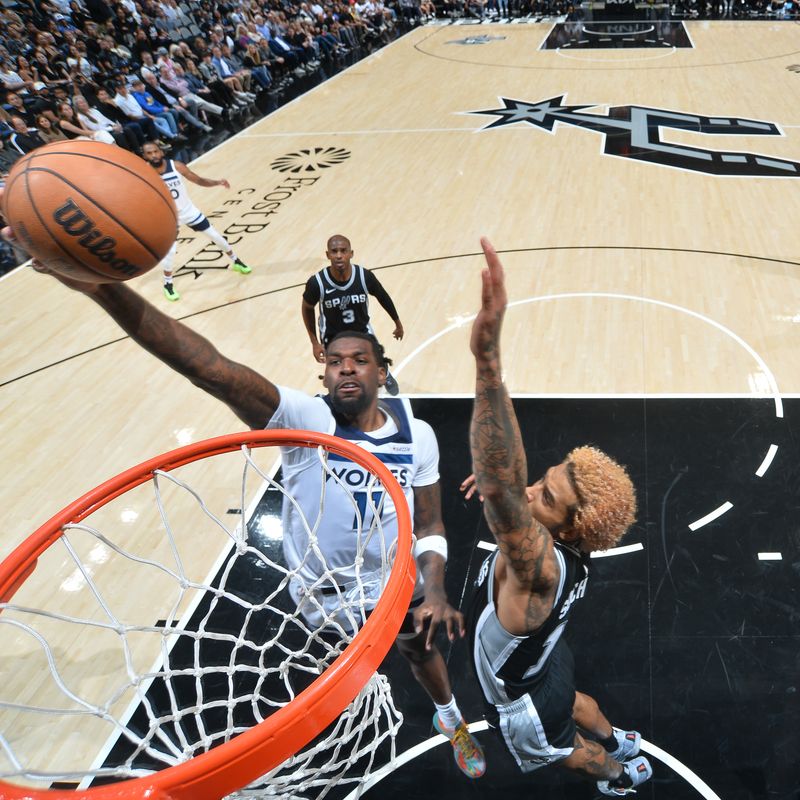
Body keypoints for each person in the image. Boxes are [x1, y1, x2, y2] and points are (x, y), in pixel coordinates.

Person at [2, 204, 485, 781]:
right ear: (323, 372)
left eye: (360, 361)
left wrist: (433, 586)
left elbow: (430, 523)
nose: (346, 370)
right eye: (334, 362)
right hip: (318, 589)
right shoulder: (306, 418)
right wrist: (100, 289)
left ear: (383, 372)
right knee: (326, 665)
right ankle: (348, 677)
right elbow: (208, 366)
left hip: (391, 583)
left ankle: (448, 717)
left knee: (418, 651)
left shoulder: (418, 433)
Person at [464, 238, 653, 797]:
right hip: (548, 661)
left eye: (543, 497)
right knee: (577, 700)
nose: (528, 493)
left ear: (570, 529)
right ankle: (622, 740)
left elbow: (502, 489)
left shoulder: (540, 571)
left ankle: (617, 771)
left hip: (520, 697)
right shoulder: (570, 553)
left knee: (567, 752)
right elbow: (510, 491)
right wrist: (512, 494)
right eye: (539, 479)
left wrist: (488, 366)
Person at [141, 140, 252, 301]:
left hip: (189, 212)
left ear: (161, 152)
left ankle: (236, 261)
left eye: (155, 152)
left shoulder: (177, 166)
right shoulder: (145, 173)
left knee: (216, 236)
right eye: (149, 153)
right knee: (170, 252)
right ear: (144, 156)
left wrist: (217, 182)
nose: (153, 155)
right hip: (170, 218)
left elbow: (198, 180)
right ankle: (168, 284)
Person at [301, 235, 403, 395]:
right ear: (328, 255)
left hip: (361, 329)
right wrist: (314, 342)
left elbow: (383, 296)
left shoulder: (364, 276)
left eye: (343, 251)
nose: (339, 255)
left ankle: (386, 373)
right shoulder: (318, 283)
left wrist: (397, 323)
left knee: (376, 357)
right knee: (339, 371)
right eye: (334, 251)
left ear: (351, 253)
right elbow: (307, 308)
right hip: (332, 335)